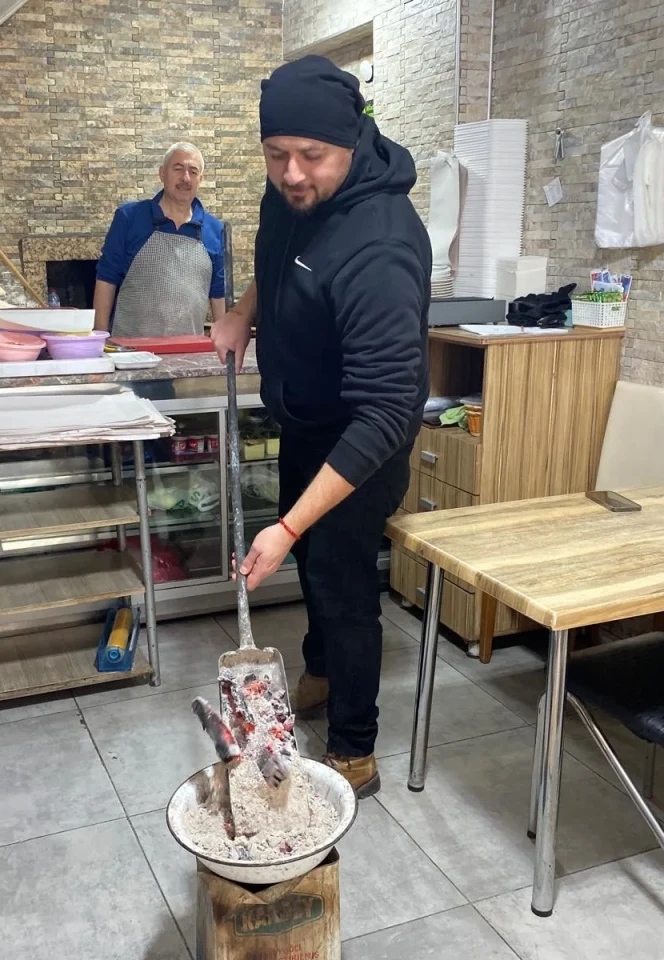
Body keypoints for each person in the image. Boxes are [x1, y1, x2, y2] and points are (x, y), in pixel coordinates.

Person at [210, 56, 430, 798]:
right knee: (311, 562)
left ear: (353, 139)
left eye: (311, 156)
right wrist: (243, 314)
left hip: (363, 441)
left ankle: (354, 748)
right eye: (276, 155)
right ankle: (323, 670)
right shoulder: (291, 193)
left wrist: (287, 527)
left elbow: (387, 411)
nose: (292, 173)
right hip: (305, 420)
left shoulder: (380, 244)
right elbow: (279, 264)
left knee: (342, 582)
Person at [93, 142, 227, 337]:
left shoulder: (215, 230)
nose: (185, 178)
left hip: (189, 349)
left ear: (200, 179)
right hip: (131, 349)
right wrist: (100, 339)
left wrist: (224, 344)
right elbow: (106, 279)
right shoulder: (129, 217)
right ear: (162, 173)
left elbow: (218, 294)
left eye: (193, 172)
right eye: (178, 169)